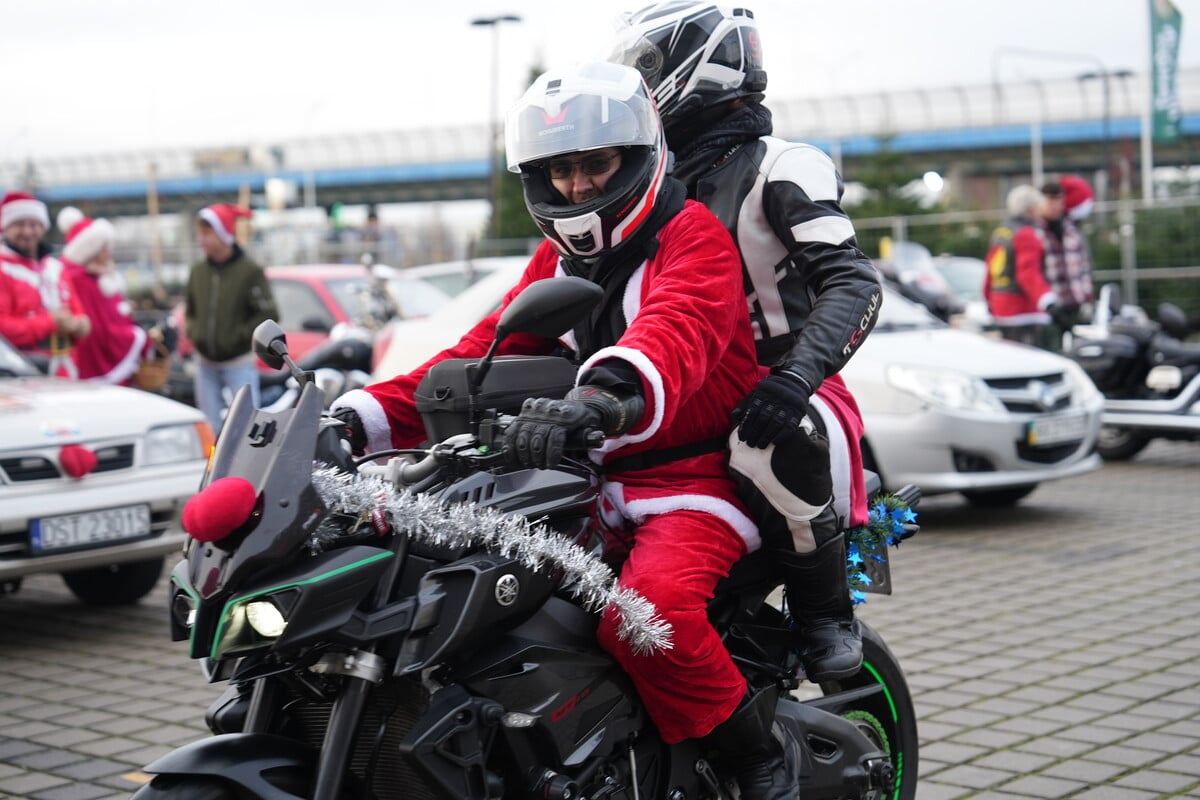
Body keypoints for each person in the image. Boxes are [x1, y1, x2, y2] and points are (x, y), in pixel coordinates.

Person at [331, 62, 792, 800]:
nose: (576, 187)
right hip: (586, 483)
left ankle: (758, 762)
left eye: (594, 164)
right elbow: (479, 357)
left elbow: (675, 330)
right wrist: (355, 417)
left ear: (638, 158)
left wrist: (601, 399)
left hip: (694, 483)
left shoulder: (693, 238)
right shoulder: (558, 256)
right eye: (558, 170)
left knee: (647, 614)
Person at [609, 1, 882, 688]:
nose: (639, 83)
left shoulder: (783, 165)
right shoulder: (650, 178)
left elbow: (853, 283)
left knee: (764, 440)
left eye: (647, 65)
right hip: (685, 381)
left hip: (789, 381)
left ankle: (825, 612)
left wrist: (794, 380)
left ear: (705, 62)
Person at [184, 203, 278, 433]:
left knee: (247, 425)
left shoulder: (249, 271)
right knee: (209, 429)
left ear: (223, 233)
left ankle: (246, 458)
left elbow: (268, 313)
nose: (201, 240)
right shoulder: (198, 271)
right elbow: (191, 311)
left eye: (207, 234)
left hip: (238, 362)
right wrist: (195, 333)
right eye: (200, 234)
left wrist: (237, 338)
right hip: (204, 363)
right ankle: (214, 459)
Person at [0, 190, 90, 374]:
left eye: (34, 225)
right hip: (22, 373)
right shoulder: (3, 269)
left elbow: (76, 311)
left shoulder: (55, 268)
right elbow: (3, 329)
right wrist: (50, 322)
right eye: (19, 225)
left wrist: (80, 325)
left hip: (66, 370)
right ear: (6, 227)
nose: (27, 232)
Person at [56, 207, 147, 384]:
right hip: (97, 363)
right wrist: (136, 337)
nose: (108, 252)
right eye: (102, 247)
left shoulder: (103, 276)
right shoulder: (82, 280)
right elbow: (97, 330)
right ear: (90, 250)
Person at [983, 184, 1058, 347]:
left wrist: (988, 297)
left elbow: (990, 269)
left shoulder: (1001, 232)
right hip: (1023, 310)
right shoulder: (1026, 234)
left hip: (1000, 306)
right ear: (1031, 209)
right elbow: (1027, 274)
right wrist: (1047, 300)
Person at [1039, 177, 1094, 345]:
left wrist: (1088, 297)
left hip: (1074, 303)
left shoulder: (1071, 230)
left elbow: (1083, 266)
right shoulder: (1036, 232)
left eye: (1058, 201)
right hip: (1051, 307)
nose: (1054, 206)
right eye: (1050, 201)